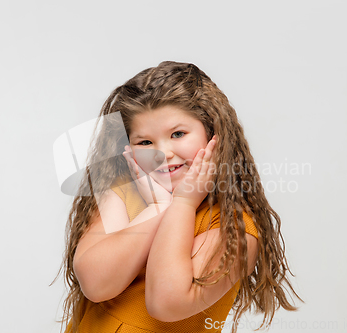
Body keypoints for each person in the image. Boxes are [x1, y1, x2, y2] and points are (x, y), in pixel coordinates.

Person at [53, 61, 303, 333]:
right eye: (145, 142)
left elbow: (166, 302)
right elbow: (96, 283)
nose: (163, 152)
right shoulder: (121, 194)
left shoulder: (233, 227)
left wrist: (183, 204)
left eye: (178, 134)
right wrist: (159, 207)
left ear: (214, 135)